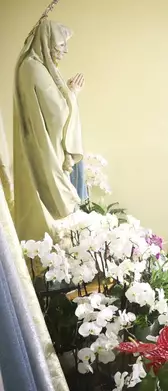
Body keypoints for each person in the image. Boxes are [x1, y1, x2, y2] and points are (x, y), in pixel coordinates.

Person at [14, 20, 87, 241]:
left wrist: (65, 91)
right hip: (46, 149)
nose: (66, 50)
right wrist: (72, 94)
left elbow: (50, 106)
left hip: (46, 144)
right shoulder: (33, 68)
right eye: (62, 44)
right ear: (47, 42)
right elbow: (57, 115)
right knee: (58, 211)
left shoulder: (34, 66)